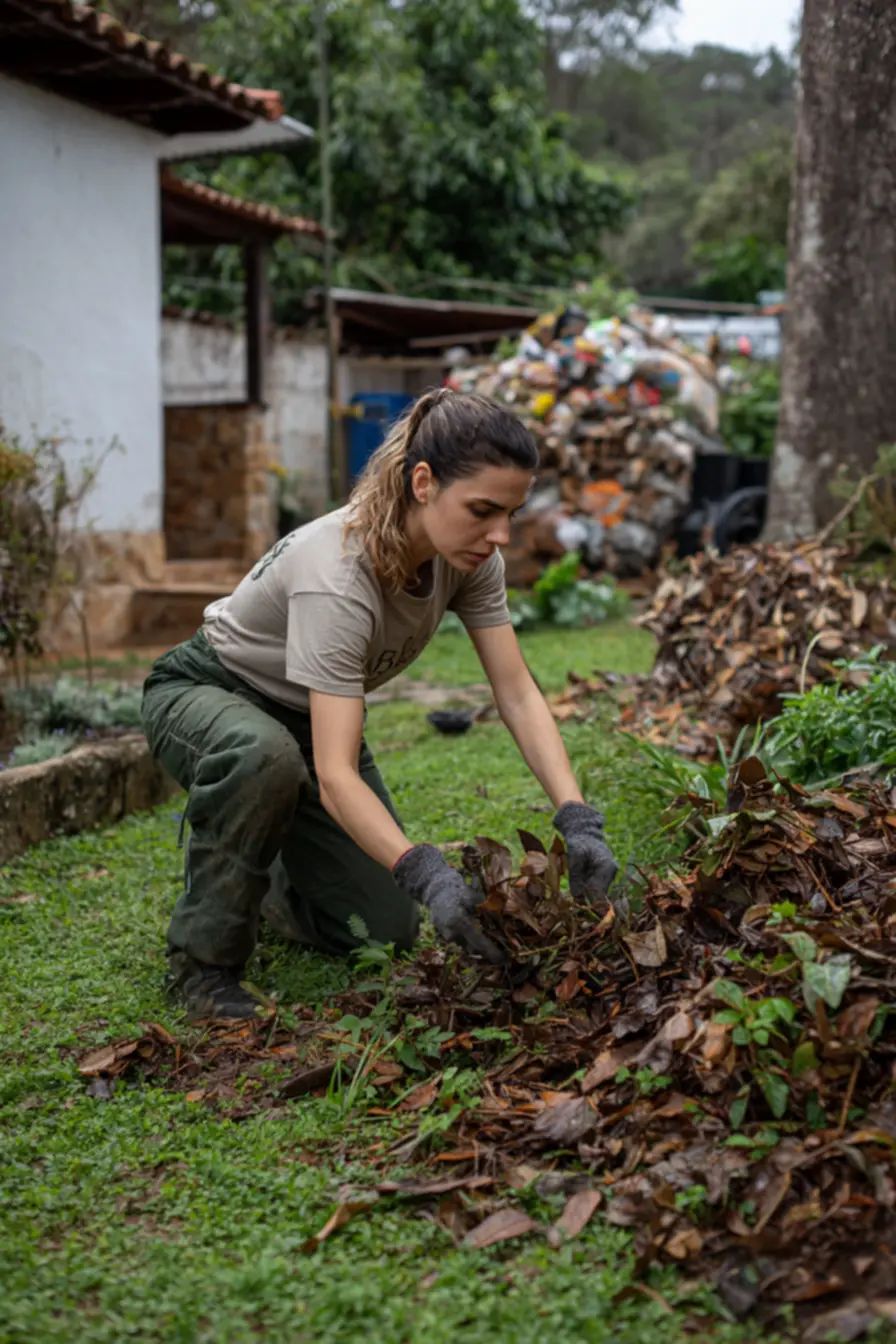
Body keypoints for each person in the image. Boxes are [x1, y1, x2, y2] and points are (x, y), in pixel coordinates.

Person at [142, 390, 617, 1020]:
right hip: (210, 692)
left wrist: (577, 816)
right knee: (266, 759)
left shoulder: (471, 560)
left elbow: (517, 692)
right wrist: (427, 871)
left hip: (311, 715)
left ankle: (265, 879)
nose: (499, 535)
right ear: (423, 482)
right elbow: (335, 775)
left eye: (511, 513)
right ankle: (201, 966)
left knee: (384, 927)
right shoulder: (337, 573)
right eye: (482, 510)